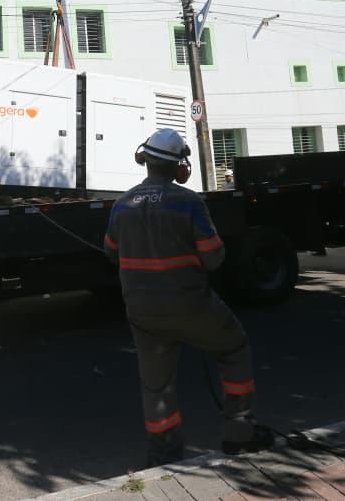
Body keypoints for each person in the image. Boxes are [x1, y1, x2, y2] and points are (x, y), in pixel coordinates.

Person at [104, 129, 274, 467]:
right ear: (180, 168)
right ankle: (239, 434)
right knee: (234, 347)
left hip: (141, 312)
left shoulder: (122, 204)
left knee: (156, 383)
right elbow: (214, 258)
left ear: (145, 160)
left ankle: (163, 453)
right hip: (190, 305)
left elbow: (111, 252)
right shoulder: (188, 202)